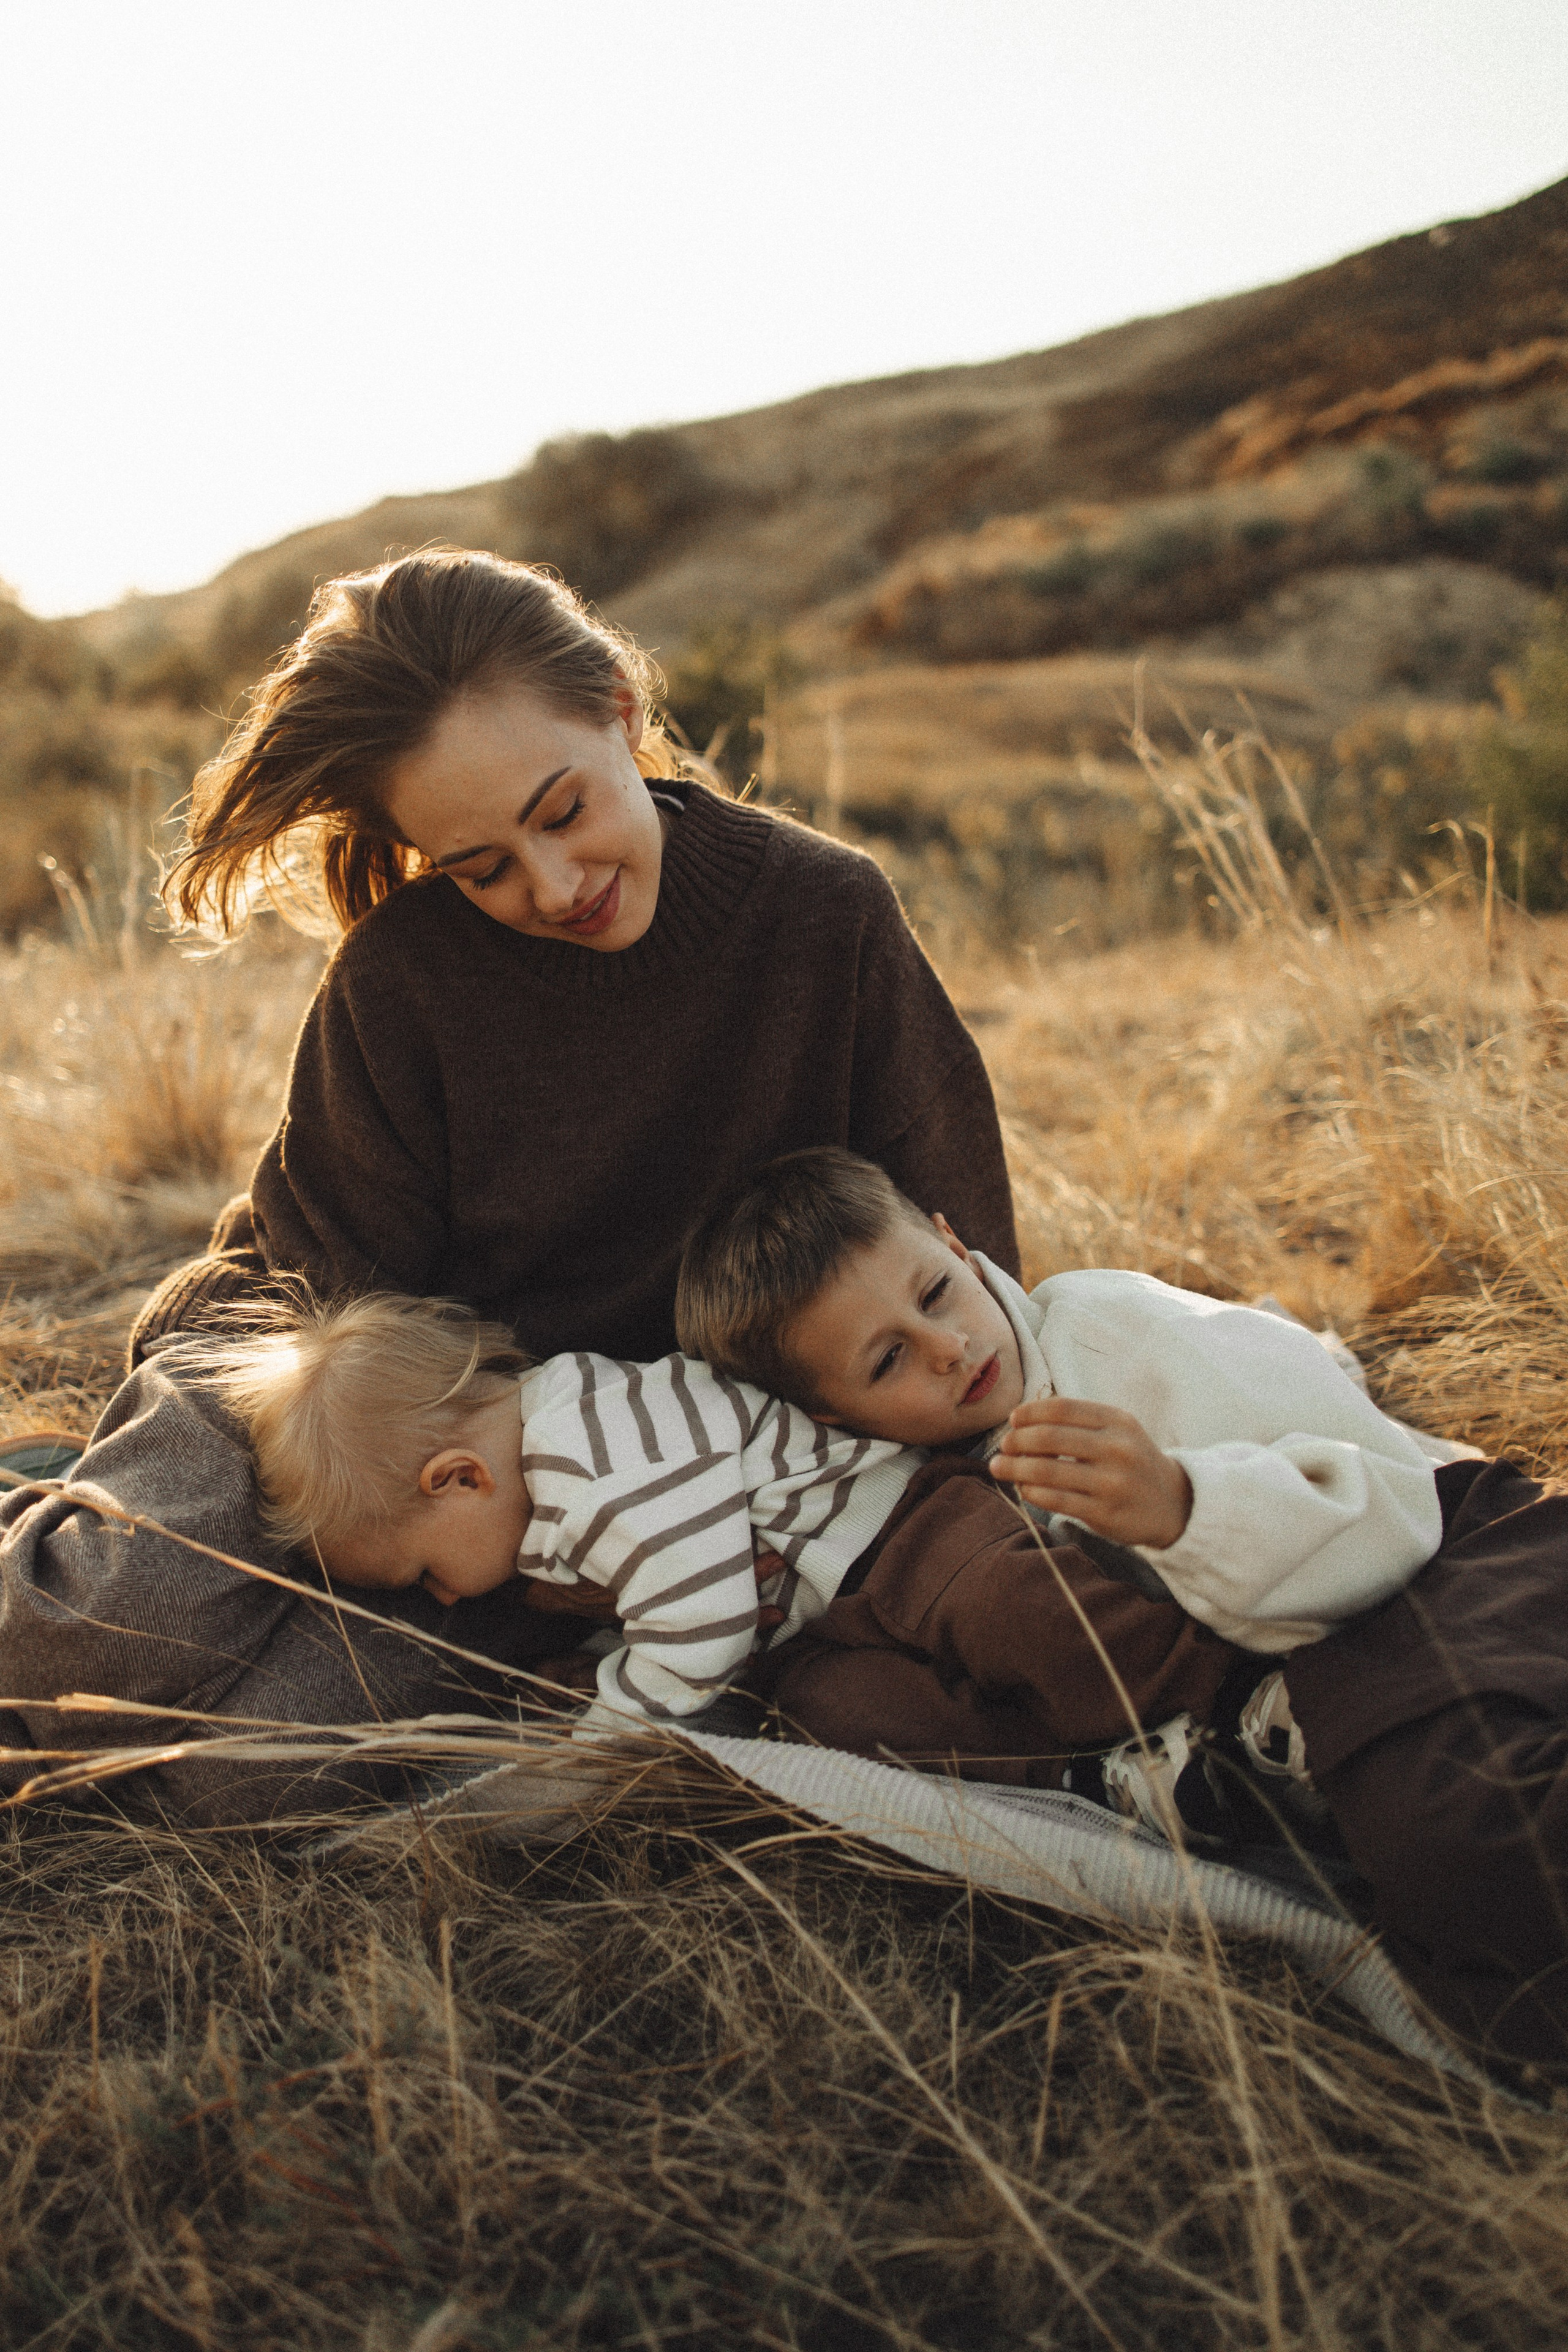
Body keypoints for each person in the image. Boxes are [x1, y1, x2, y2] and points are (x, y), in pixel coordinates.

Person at [679, 1147, 1568, 2082]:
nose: (947, 1349)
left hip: (1436, 1567)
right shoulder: (920, 1489)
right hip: (1309, 1696)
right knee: (1455, 1869)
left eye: (936, 1293)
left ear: (958, 1244)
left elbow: (1386, 1503)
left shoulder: (1113, 1328)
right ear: (837, 1421)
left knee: (1480, 1832)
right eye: (888, 1359)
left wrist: (1186, 1504)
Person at [131, 549, 1019, 1371]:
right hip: (479, 1418)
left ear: (621, 713)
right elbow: (329, 1306)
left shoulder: (826, 911)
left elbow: (966, 1253)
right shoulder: (399, 977)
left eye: (562, 814)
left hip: (788, 1413)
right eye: (483, 870)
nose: (556, 889)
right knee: (204, 1398)